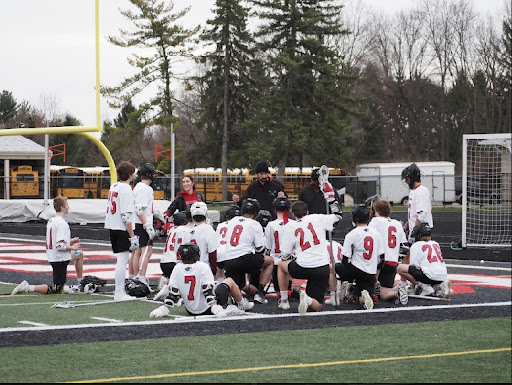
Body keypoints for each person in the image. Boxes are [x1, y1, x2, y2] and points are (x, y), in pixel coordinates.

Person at [149, 243, 254, 318]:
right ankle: (242, 304)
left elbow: (173, 292)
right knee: (229, 281)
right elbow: (207, 290)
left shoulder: (177, 268)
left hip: (190, 310)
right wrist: (215, 307)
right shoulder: (202, 266)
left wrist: (164, 308)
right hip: (208, 308)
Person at [277, 199, 342, 314]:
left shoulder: (290, 227)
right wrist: (332, 200)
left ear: (293, 214)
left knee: (281, 265)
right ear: (307, 212)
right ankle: (307, 299)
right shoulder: (317, 218)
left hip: (302, 267)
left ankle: (284, 300)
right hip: (321, 267)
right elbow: (338, 216)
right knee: (317, 306)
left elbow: (285, 254)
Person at [11, 196, 84, 296]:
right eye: (67, 205)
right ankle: (28, 287)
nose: (68, 207)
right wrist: (72, 247)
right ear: (62, 207)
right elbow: (59, 246)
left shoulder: (51, 221)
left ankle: (81, 283)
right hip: (60, 258)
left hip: (53, 255)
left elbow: (55, 240)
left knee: (79, 254)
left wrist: (70, 241)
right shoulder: (62, 223)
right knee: (57, 289)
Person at [334, 204, 385, 310]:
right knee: (362, 297)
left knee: (332, 267)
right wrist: (376, 274)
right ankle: (364, 296)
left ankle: (335, 293)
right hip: (370, 272)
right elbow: (381, 257)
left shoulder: (352, 234)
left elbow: (345, 259)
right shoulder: (376, 233)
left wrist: (347, 277)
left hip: (356, 270)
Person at [223, 198, 274, 302]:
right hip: (243, 260)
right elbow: (259, 248)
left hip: (228, 260)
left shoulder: (232, 221)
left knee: (240, 288)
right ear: (256, 212)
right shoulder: (255, 224)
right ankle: (260, 293)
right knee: (269, 261)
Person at [104, 161, 139, 301]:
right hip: (121, 228)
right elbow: (126, 215)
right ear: (130, 174)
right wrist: (132, 236)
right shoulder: (126, 189)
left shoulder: (114, 186)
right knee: (122, 260)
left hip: (113, 226)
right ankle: (119, 292)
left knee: (121, 259)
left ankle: (119, 291)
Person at [368, 199, 409, 305]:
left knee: (365, 286)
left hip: (379, 262)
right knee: (384, 293)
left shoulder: (375, 222)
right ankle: (396, 294)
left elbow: (368, 241)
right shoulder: (397, 224)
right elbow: (404, 246)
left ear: (376, 210)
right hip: (392, 262)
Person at [397, 223, 451, 298]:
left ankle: (425, 287)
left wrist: (414, 288)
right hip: (442, 275)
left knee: (400, 268)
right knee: (429, 271)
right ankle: (440, 286)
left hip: (429, 275)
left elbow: (413, 266)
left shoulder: (416, 245)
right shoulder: (435, 243)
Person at [264, 196, 299, 302]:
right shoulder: (294, 224)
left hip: (276, 261)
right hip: (291, 260)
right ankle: (294, 292)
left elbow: (268, 246)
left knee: (280, 292)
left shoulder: (271, 225)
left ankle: (293, 293)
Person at [129, 163, 157, 287]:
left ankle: (134, 276)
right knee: (144, 252)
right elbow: (139, 209)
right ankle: (140, 277)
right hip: (141, 223)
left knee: (137, 252)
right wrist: (147, 225)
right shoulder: (145, 188)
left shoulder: (138, 187)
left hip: (137, 223)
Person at [182, 201, 219, 276]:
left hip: (188, 269)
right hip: (203, 269)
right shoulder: (208, 229)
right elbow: (212, 253)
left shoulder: (187, 231)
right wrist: (213, 270)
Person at [401, 163, 433, 241]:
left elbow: (421, 215)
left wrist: (413, 233)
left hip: (421, 233)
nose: (406, 181)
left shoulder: (421, 191)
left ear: (412, 177)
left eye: (407, 178)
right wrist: (406, 226)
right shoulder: (414, 191)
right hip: (417, 231)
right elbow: (414, 214)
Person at [216, 205, 241, 282]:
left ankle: (220, 281)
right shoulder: (240, 225)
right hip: (233, 254)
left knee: (220, 266)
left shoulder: (220, 225)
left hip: (220, 253)